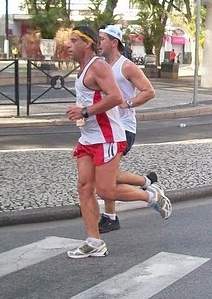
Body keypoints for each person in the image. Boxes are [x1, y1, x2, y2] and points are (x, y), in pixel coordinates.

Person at [65, 26, 171, 259]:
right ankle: (94, 241)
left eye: (73, 40)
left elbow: (116, 97)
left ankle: (152, 196)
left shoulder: (99, 66)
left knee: (106, 189)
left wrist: (85, 111)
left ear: (87, 43)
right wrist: (80, 112)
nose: (68, 45)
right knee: (84, 188)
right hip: (88, 137)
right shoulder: (83, 69)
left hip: (108, 137)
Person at [97, 24, 157, 233]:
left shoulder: (126, 66)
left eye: (102, 39)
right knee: (107, 177)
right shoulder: (101, 66)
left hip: (124, 129)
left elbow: (149, 91)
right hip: (106, 128)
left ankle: (146, 186)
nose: (99, 43)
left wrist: (128, 103)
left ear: (114, 42)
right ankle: (111, 216)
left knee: (106, 177)